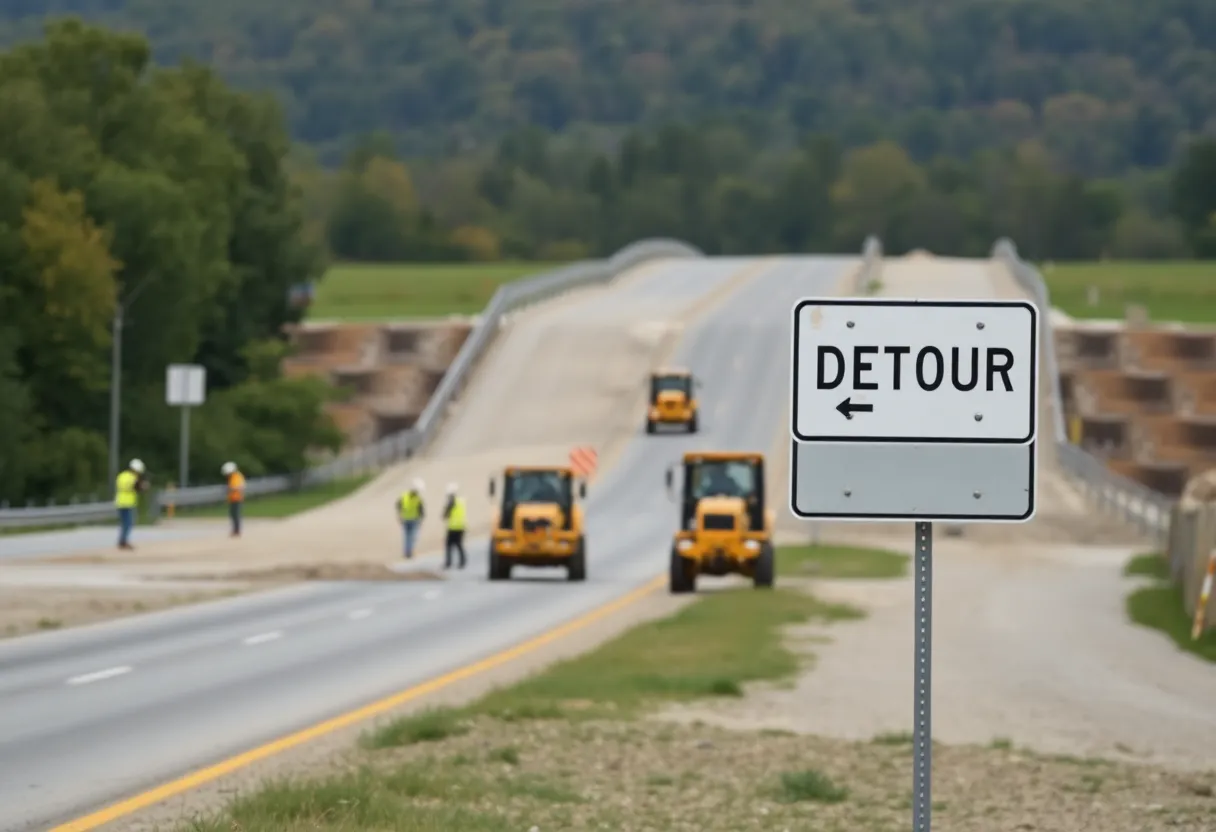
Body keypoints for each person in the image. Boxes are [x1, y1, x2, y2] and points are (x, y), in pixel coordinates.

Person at [115, 459, 147, 550]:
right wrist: (142, 486)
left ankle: (123, 541)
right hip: (126, 503)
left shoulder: (122, 475)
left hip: (122, 503)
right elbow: (134, 487)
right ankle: (123, 541)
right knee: (128, 523)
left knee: (126, 523)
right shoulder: (131, 478)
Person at [396, 478, 426, 559]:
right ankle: (409, 553)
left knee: (408, 537)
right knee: (411, 537)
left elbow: (398, 505)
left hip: (408, 519)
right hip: (411, 520)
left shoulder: (405, 495)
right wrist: (421, 520)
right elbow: (422, 511)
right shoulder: (417, 498)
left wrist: (399, 515)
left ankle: (407, 552)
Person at [442, 482, 467, 570]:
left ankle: (448, 563)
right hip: (461, 526)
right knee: (459, 545)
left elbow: (446, 513)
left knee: (449, 546)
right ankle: (462, 562)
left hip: (453, 527)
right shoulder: (461, 501)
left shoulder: (452, 501)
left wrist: (444, 515)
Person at [221, 461, 245, 538]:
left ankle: (236, 531)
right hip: (233, 499)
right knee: (233, 515)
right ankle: (235, 530)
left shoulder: (236, 476)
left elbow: (239, 487)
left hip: (237, 498)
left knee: (236, 515)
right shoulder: (232, 477)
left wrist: (230, 489)